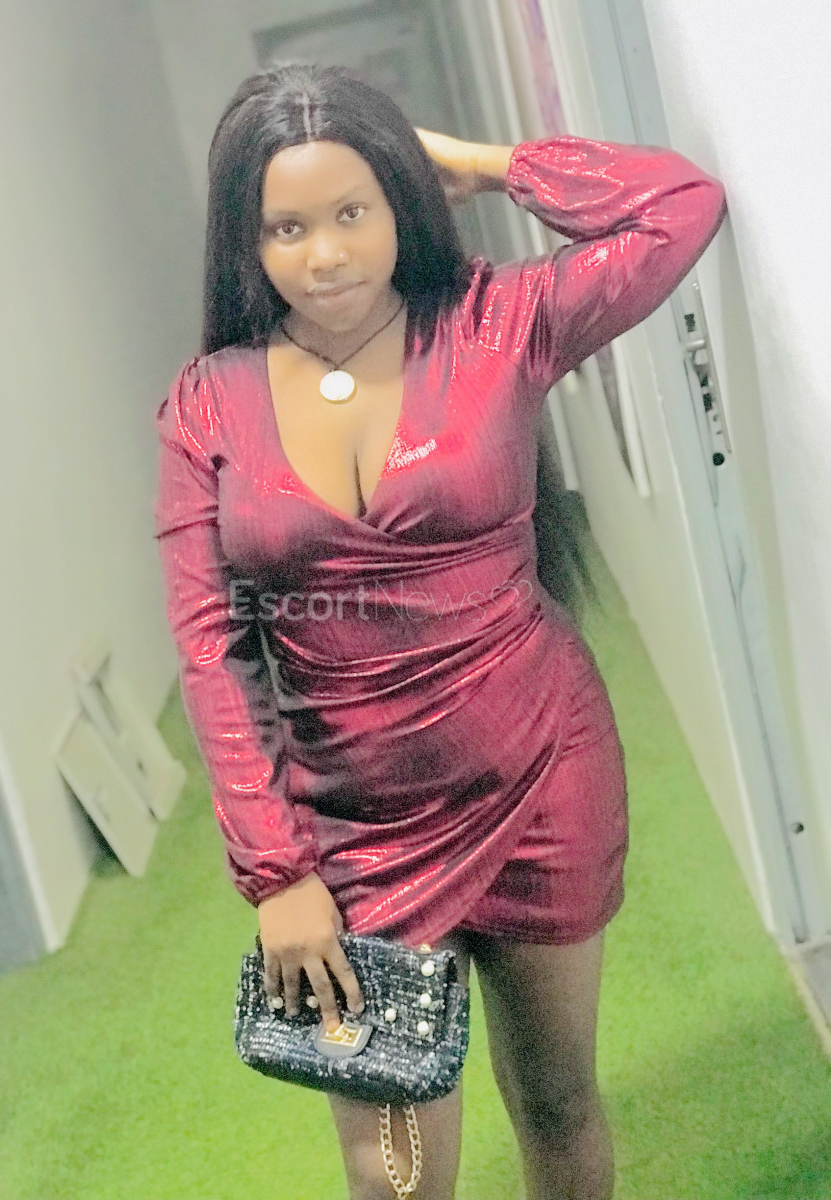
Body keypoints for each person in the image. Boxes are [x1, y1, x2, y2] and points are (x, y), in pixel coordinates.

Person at [155, 62, 726, 1200]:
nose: (325, 254)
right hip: (352, 830)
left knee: (556, 1100)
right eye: (286, 227)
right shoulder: (206, 405)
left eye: (352, 211)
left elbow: (678, 207)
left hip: (540, 772)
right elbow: (212, 652)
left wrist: (484, 162)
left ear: (400, 201)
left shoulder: (497, 323)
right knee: (394, 1174)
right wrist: (277, 878)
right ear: (245, 242)